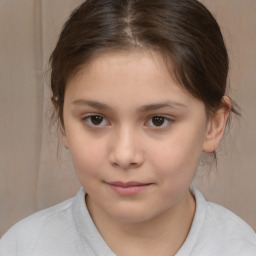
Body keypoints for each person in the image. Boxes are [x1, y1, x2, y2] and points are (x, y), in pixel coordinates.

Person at [1, 0, 256, 255]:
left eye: (158, 120)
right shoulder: (23, 247)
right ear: (63, 123)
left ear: (213, 125)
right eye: (96, 119)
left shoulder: (241, 248)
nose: (124, 155)